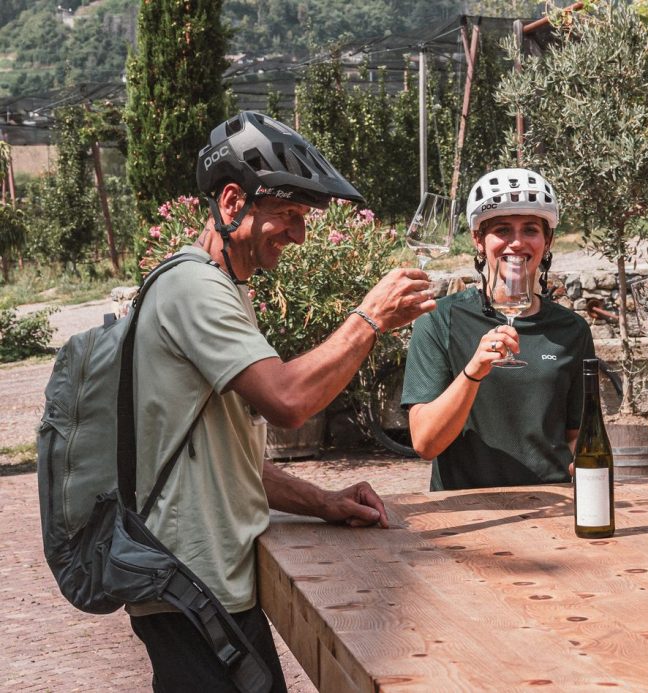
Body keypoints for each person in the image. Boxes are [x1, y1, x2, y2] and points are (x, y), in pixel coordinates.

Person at [129, 111, 436, 691]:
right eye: (288, 215)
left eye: (304, 218)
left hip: (202, 585)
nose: (299, 233)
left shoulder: (221, 288)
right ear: (230, 202)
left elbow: (228, 461)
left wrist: (324, 502)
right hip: (191, 585)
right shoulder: (193, 288)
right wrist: (369, 319)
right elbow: (289, 402)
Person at [401, 168, 595, 490]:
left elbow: (577, 437)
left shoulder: (572, 330)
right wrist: (474, 371)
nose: (516, 242)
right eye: (502, 229)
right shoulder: (438, 321)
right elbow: (425, 443)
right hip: (465, 511)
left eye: (530, 230)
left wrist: (590, 473)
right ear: (479, 240)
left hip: (552, 507)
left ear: (547, 241)